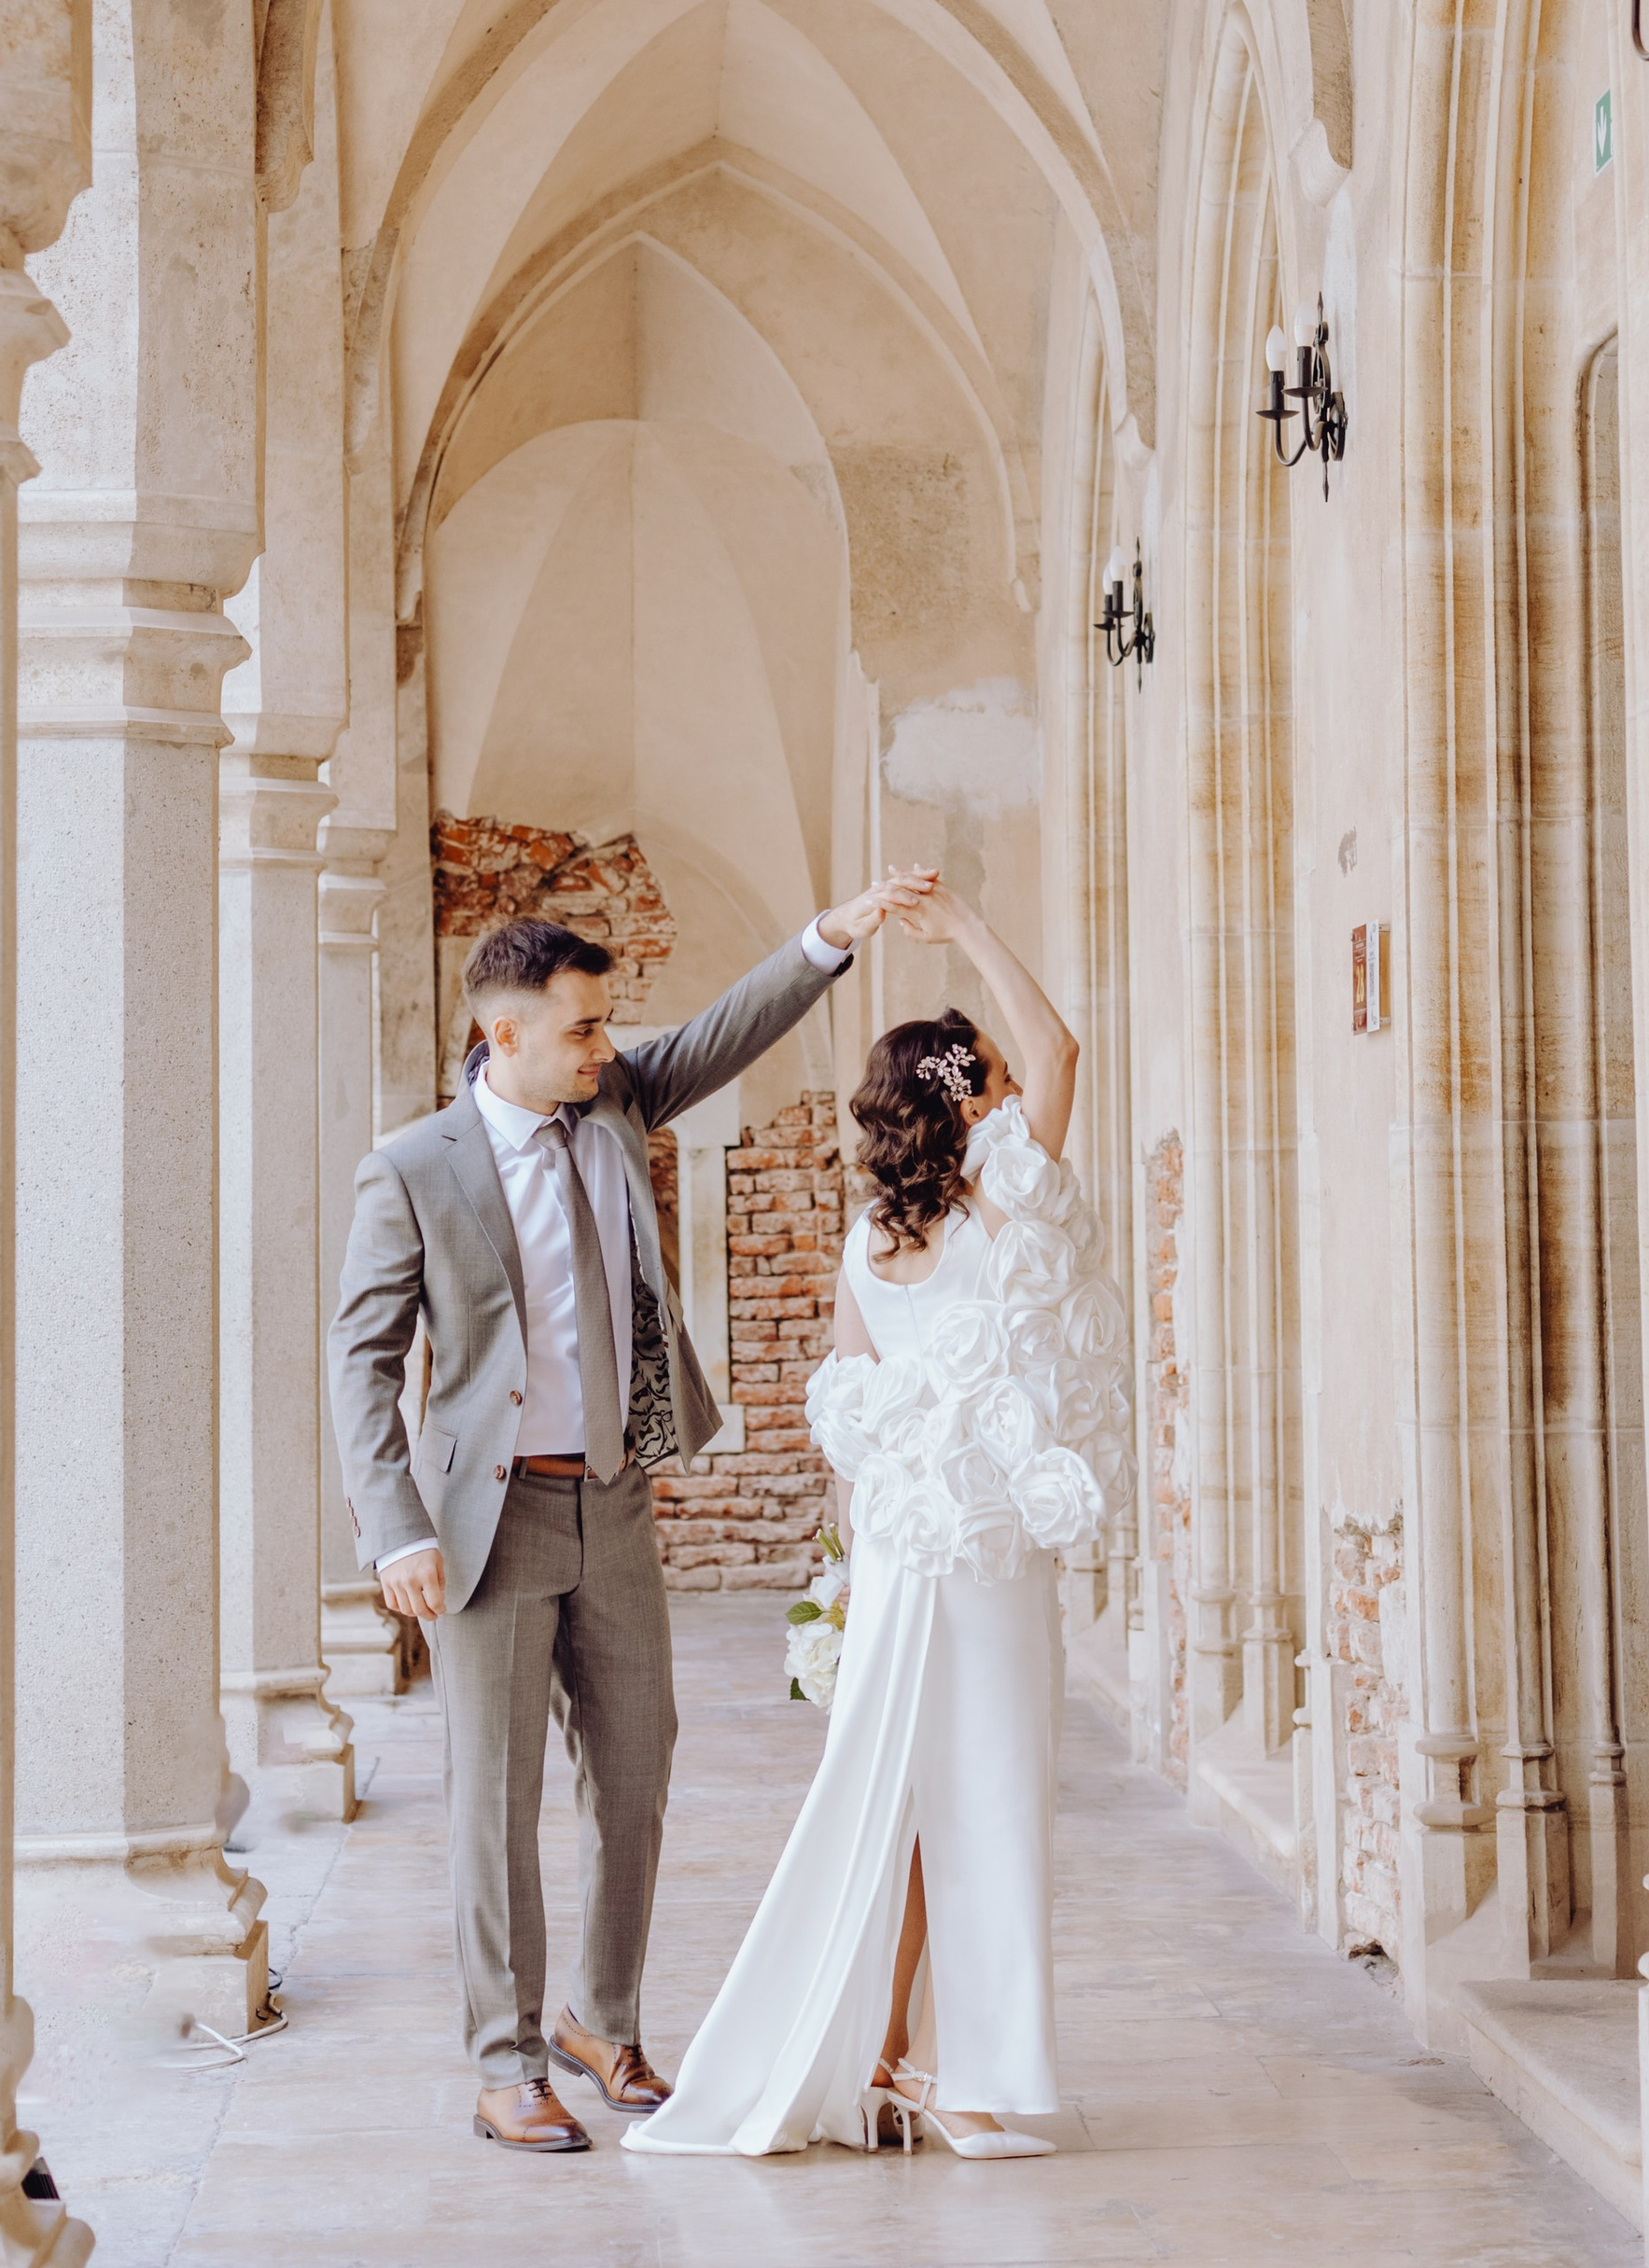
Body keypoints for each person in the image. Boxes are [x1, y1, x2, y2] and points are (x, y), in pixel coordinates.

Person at [327, 874, 932, 2154]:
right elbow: (361, 1360)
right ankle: (504, 2061)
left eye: (608, 1029)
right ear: (504, 1037)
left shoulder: (613, 1102)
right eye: (585, 1029)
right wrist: (395, 1530)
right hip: (488, 1527)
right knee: (494, 1802)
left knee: (639, 1772)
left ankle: (601, 2023)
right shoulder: (412, 1171)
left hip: (614, 1498)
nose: (608, 1049)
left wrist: (835, 931)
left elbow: (725, 1029)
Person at [625, 883, 1132, 2163]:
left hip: (906, 1551)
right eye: (995, 1077)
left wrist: (853, 1574)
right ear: (968, 1097)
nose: (1021, 1088)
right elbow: (1064, 1048)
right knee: (992, 1796)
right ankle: (965, 2078)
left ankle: (906, 2058)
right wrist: (966, 926)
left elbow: (844, 1425)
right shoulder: (1003, 1211)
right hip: (981, 1561)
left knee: (908, 1803)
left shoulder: (871, 1241)